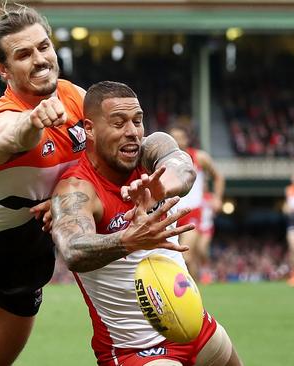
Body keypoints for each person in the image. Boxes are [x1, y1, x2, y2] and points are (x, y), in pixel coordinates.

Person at [51, 81, 242, 366]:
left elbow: (184, 167)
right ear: (89, 128)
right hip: (136, 350)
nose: (132, 131)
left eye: (137, 121)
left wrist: (161, 187)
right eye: (118, 123)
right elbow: (72, 250)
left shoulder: (150, 150)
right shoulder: (77, 189)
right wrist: (129, 239)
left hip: (197, 328)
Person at [168, 124, 225, 280]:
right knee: (179, 259)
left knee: (186, 256)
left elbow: (218, 177)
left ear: (187, 139)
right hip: (170, 213)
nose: (177, 142)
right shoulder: (163, 159)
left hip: (192, 212)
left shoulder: (199, 157)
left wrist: (217, 198)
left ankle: (191, 294)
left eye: (180, 138)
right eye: (174, 138)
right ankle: (192, 292)